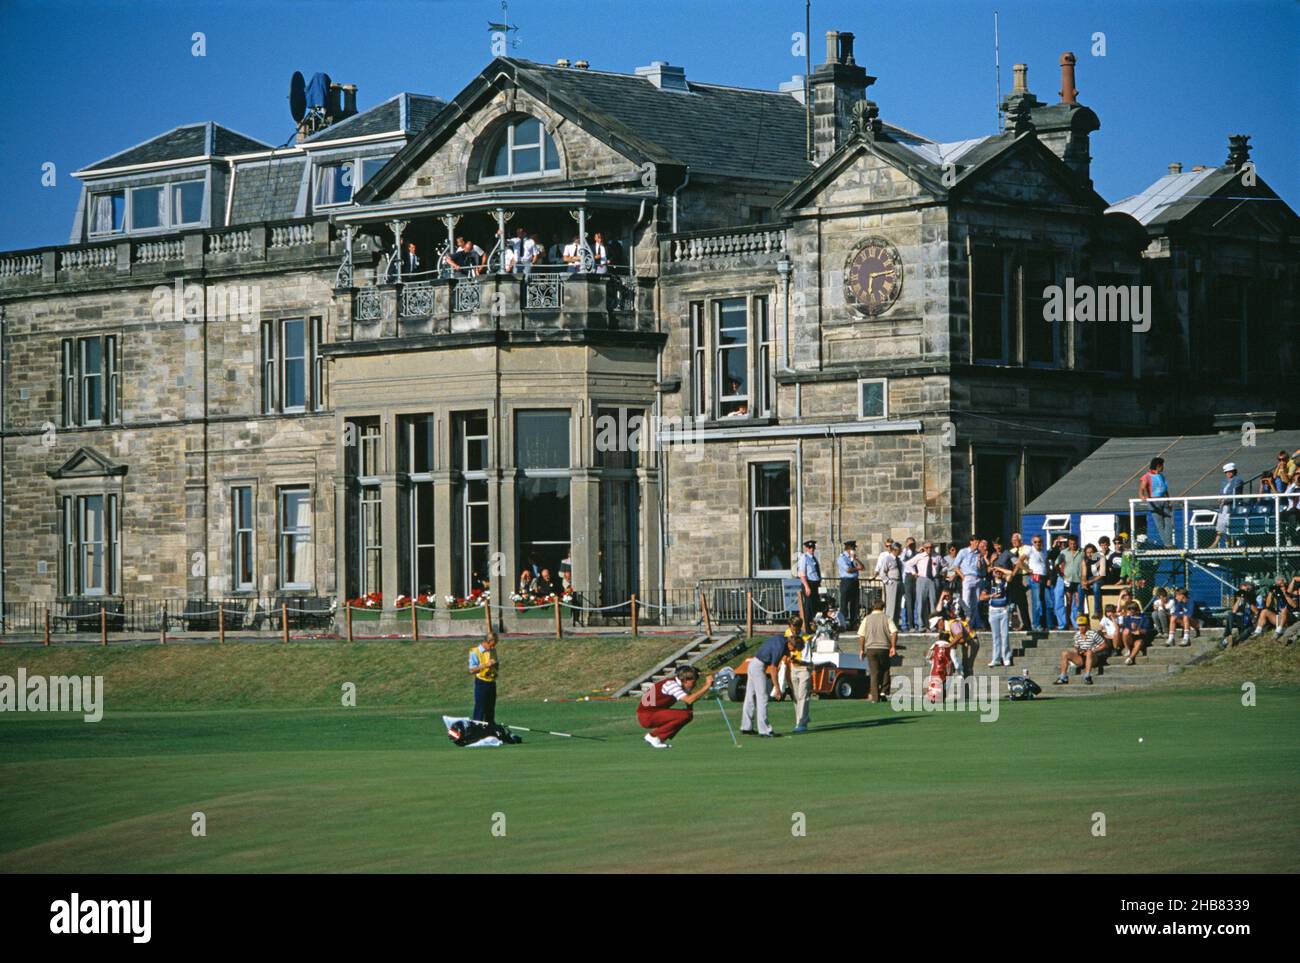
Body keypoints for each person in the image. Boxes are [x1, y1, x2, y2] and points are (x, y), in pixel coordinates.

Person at [637, 664, 714, 748]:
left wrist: (689, 712)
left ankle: (659, 738)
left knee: (687, 715)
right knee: (685, 715)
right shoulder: (671, 685)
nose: (695, 684)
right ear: (685, 680)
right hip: (647, 716)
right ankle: (653, 736)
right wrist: (707, 686)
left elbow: (689, 701)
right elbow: (689, 700)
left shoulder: (676, 683)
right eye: (694, 682)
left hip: (652, 713)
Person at [740, 634, 790, 738]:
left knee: (750, 697)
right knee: (762, 698)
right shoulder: (780, 646)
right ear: (790, 644)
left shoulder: (781, 639)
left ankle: (746, 727)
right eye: (793, 648)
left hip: (753, 663)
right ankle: (765, 730)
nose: (792, 651)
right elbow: (773, 669)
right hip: (758, 667)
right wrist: (777, 688)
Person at [856, 600, 898, 702]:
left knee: (874, 673)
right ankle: (884, 691)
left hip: (871, 649)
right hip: (884, 648)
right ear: (883, 608)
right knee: (885, 670)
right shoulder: (887, 618)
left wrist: (861, 649)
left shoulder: (867, 619)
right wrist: (893, 646)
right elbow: (894, 632)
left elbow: (861, 635)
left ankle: (875, 697)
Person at [1053, 614, 1109, 685]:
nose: (1081, 627)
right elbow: (1076, 647)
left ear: (1087, 626)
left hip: (1093, 657)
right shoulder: (1077, 635)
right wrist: (1078, 651)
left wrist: (1093, 650)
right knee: (1064, 653)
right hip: (1082, 657)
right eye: (1079, 625)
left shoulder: (1093, 634)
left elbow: (1104, 645)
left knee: (1089, 652)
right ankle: (1063, 676)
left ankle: (1087, 676)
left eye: (1083, 625)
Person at [785, 617, 814, 733]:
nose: (794, 632)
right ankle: (801, 720)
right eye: (792, 629)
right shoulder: (787, 633)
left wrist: (795, 660)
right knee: (796, 696)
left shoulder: (806, 639)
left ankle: (801, 723)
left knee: (803, 696)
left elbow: (807, 660)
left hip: (804, 669)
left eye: (796, 630)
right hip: (793, 669)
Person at [1138, 457, 1173, 547]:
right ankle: (1168, 544)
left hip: (1163, 500)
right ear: (1158, 466)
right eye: (1162, 465)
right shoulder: (1147, 476)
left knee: (1169, 521)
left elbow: (1165, 489)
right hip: (1154, 501)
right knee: (1160, 524)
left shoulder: (1161, 476)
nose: (1163, 467)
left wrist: (1169, 501)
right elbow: (1142, 488)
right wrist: (1142, 496)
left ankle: (1168, 543)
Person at [954, 536, 987, 630]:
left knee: (975, 602)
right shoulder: (963, 552)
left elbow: (980, 568)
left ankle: (972, 623)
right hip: (967, 577)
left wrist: (980, 558)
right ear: (971, 542)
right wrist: (962, 576)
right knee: (966, 600)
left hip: (976, 577)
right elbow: (955, 566)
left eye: (978, 542)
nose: (977, 544)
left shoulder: (978, 554)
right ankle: (966, 622)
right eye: (976, 542)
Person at [906, 540, 939, 633]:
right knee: (921, 602)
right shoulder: (919, 556)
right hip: (922, 579)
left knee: (933, 603)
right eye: (927, 547)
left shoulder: (936, 556)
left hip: (932, 580)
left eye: (931, 547)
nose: (929, 549)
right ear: (924, 548)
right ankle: (921, 625)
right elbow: (908, 564)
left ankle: (933, 625)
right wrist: (914, 573)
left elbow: (945, 565)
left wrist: (942, 572)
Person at [1211, 463, 1244, 548]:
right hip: (1223, 507)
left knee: (1229, 525)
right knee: (1220, 524)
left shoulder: (1238, 480)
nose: (1228, 474)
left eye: (1230, 472)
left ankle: (1220, 543)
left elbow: (1235, 493)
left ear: (1234, 471)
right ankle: (1219, 543)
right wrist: (1219, 498)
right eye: (1226, 472)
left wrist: (1225, 499)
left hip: (1232, 507)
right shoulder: (1223, 481)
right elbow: (1221, 492)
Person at [986, 563, 1012, 667]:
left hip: (1003, 610)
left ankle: (1006, 657)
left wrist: (999, 568)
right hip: (993, 611)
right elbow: (982, 596)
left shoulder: (1005, 582)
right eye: (996, 571)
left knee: (1005, 635)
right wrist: (991, 595)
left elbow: (1010, 573)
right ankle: (996, 658)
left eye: (999, 572)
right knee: (995, 636)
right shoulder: (990, 582)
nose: (997, 573)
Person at [468, 634, 499, 722]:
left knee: (490, 709)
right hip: (481, 683)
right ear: (486, 642)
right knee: (480, 709)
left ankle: (489, 730)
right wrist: (485, 665)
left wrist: (495, 666)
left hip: (492, 682)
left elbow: (496, 665)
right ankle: (477, 728)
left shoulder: (493, 651)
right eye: (492, 645)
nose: (493, 647)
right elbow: (472, 670)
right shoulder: (475, 652)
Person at [836, 540, 864, 628]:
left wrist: (856, 559)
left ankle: (853, 623)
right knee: (844, 603)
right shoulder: (842, 558)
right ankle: (843, 623)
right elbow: (848, 569)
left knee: (855, 603)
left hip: (854, 581)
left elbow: (862, 567)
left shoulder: (852, 558)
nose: (854, 551)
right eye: (853, 549)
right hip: (846, 581)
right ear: (849, 549)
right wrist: (857, 569)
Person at [876, 541, 904, 626]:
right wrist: (888, 581)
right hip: (892, 582)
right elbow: (882, 572)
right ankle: (889, 624)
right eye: (899, 550)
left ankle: (895, 624)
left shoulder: (898, 560)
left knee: (897, 604)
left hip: (899, 582)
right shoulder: (887, 559)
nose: (901, 551)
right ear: (894, 550)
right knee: (891, 604)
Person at [1025, 533, 1049, 630]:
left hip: (1043, 577)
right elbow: (1020, 561)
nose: (1037, 543)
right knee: (1037, 602)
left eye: (1039, 542)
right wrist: (1027, 570)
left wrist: (1048, 577)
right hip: (1035, 576)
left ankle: (1043, 624)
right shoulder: (1030, 550)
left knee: (1045, 602)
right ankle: (1035, 624)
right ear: (1032, 542)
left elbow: (1046, 565)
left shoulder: (1043, 552)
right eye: (1035, 542)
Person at [797, 539, 822, 620]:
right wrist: (807, 586)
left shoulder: (813, 558)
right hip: (809, 583)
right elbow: (802, 574)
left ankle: (814, 624)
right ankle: (808, 626)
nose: (812, 549)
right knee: (809, 606)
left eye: (813, 547)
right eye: (810, 547)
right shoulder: (804, 557)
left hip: (815, 584)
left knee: (815, 605)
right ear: (806, 548)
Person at [899, 537, 918, 630]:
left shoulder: (917, 553)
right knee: (909, 602)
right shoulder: (905, 553)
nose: (912, 546)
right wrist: (906, 548)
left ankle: (916, 622)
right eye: (910, 544)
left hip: (916, 577)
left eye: (913, 544)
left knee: (916, 601)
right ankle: (910, 624)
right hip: (908, 577)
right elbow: (902, 560)